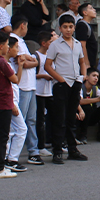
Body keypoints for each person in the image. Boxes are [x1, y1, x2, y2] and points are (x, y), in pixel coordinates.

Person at [43, 14, 89, 164]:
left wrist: (82, 76)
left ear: (74, 27)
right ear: (60, 28)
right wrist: (60, 79)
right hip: (62, 85)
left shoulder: (77, 44)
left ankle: (72, 149)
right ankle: (57, 151)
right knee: (59, 119)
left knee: (71, 119)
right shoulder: (55, 45)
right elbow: (48, 65)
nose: (68, 30)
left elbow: (82, 61)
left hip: (75, 83)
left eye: (71, 26)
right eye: (65, 27)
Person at [0, 32, 25, 178]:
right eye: (7, 45)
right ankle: (0, 168)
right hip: (3, 101)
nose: (8, 48)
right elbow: (15, 80)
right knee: (2, 136)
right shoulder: (1, 62)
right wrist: (20, 67)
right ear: (1, 46)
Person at [9, 15, 43, 167]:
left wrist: (32, 60)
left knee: (31, 120)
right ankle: (11, 154)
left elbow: (31, 60)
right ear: (23, 25)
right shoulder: (12, 39)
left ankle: (33, 151)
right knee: (19, 121)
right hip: (21, 85)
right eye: (27, 26)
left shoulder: (21, 41)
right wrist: (33, 61)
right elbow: (21, 61)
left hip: (30, 84)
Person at [33, 29, 56, 158]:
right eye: (50, 42)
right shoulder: (36, 56)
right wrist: (43, 76)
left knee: (53, 116)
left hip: (49, 91)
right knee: (40, 119)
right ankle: (40, 145)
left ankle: (53, 141)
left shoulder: (51, 56)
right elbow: (31, 75)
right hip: (39, 91)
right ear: (43, 43)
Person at [77, 69, 100, 143]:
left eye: (97, 76)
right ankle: (82, 134)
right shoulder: (80, 87)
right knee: (87, 107)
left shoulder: (95, 88)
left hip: (92, 117)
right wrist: (99, 99)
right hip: (81, 117)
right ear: (86, 77)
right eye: (93, 76)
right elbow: (80, 101)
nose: (96, 78)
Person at [75, 3, 99, 74]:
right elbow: (82, 45)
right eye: (91, 8)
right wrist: (86, 62)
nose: (94, 10)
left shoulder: (87, 25)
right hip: (85, 62)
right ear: (85, 12)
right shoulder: (82, 25)